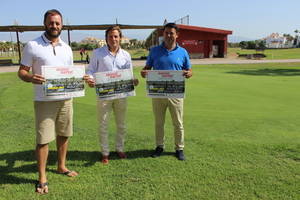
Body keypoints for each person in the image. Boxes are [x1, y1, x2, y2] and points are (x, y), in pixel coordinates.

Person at [18, 9, 78, 194]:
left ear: (62, 25)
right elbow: (22, 71)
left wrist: (81, 80)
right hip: (44, 100)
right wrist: (30, 78)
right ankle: (42, 176)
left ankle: (61, 166)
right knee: (43, 139)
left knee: (64, 134)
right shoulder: (32, 45)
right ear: (45, 23)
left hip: (66, 99)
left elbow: (70, 73)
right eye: (51, 22)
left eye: (57, 23)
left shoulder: (67, 48)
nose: (54, 26)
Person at [84, 26, 138, 164]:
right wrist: (90, 79)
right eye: (110, 36)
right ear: (106, 38)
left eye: (116, 36)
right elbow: (90, 70)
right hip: (104, 95)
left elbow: (129, 75)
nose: (113, 39)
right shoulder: (97, 53)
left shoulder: (126, 55)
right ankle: (105, 153)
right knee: (103, 124)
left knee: (121, 124)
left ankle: (120, 149)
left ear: (120, 38)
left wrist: (133, 81)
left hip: (121, 95)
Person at [140, 23, 192, 161]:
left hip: (176, 93)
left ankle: (179, 148)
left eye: (171, 33)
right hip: (158, 93)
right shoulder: (155, 51)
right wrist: (144, 72)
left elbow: (189, 69)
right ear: (163, 34)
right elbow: (147, 68)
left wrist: (189, 73)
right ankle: (159, 146)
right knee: (159, 122)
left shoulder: (183, 52)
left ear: (177, 35)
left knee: (178, 123)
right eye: (166, 33)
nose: (169, 35)